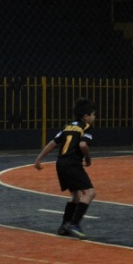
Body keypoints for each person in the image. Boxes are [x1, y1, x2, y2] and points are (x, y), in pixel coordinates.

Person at [34, 98, 97, 239]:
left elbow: (53, 143)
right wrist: (88, 158)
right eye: (93, 115)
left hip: (60, 163)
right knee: (90, 193)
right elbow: (83, 145)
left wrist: (39, 159)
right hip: (72, 163)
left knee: (75, 195)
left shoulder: (67, 126)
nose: (94, 118)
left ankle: (64, 226)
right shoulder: (86, 127)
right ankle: (74, 224)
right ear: (85, 116)